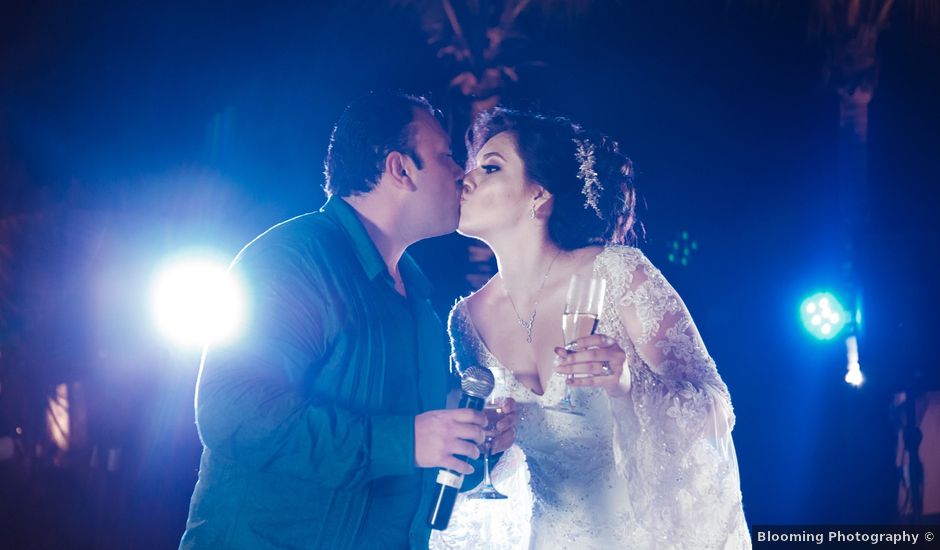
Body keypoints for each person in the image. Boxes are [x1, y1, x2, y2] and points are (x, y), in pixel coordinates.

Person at [179, 92, 517, 550]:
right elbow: (232, 411)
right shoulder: (290, 259)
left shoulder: (418, 300)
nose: (462, 172)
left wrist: (474, 443)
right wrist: (407, 440)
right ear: (400, 169)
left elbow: (417, 464)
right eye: (447, 157)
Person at [430, 108, 750, 549]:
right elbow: (508, 467)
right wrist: (493, 444)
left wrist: (627, 386)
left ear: (538, 196)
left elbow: (717, 410)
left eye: (491, 167)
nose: (466, 179)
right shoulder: (466, 321)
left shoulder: (619, 274)